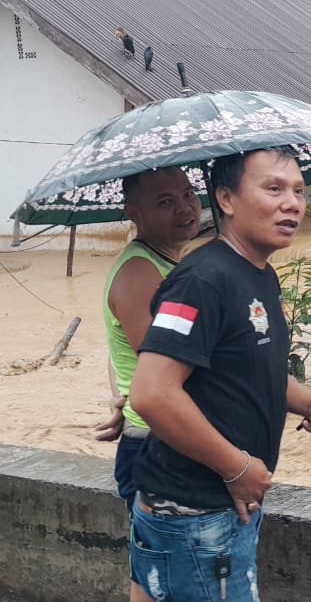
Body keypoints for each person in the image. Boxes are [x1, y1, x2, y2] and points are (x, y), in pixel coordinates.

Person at [128, 148, 311, 602]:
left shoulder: (258, 273)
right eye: (274, 189)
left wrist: (307, 402)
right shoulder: (202, 280)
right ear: (226, 199)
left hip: (220, 508)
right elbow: (151, 393)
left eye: (299, 191)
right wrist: (239, 468)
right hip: (195, 512)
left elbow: (248, 365)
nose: (293, 203)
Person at [93, 166, 202, 507]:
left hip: (171, 436)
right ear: (134, 214)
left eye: (188, 194)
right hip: (159, 444)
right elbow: (164, 364)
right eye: (166, 201)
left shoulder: (168, 265)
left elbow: (120, 352)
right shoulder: (140, 273)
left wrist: (120, 399)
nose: (185, 208)